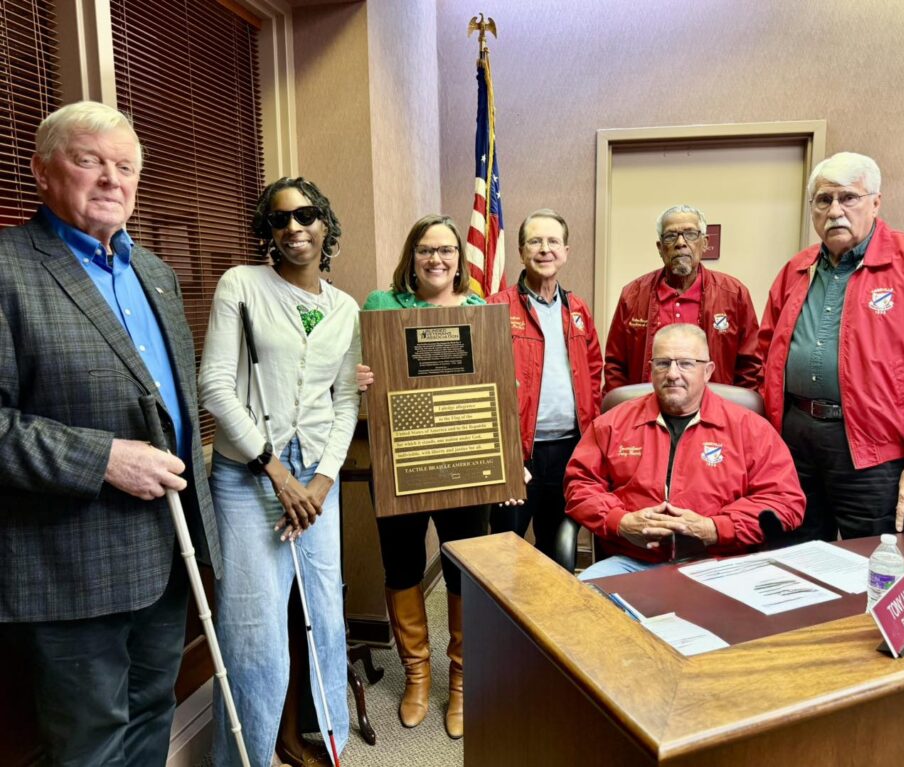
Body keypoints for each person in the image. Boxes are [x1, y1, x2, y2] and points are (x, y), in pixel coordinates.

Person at [0, 101, 220, 766]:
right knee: (91, 743)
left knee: (153, 714)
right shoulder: (8, 268)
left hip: (166, 551)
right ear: (42, 172)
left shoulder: (154, 272)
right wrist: (103, 458)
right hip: (73, 562)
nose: (110, 179)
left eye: (124, 166)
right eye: (88, 160)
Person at [198, 177, 359, 767]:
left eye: (306, 215)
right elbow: (214, 385)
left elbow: (345, 402)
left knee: (324, 615)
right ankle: (246, 757)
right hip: (249, 478)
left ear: (325, 225)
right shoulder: (241, 286)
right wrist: (276, 472)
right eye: (279, 219)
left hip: (318, 477)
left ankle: (319, 739)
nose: (294, 227)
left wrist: (319, 481)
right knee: (252, 632)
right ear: (267, 232)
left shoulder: (345, 309)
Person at [758, 152, 904, 542]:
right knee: (794, 564)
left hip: (875, 451)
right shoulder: (796, 270)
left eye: (848, 198)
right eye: (823, 200)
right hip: (794, 445)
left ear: (876, 203)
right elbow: (766, 353)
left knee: (878, 568)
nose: (834, 211)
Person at [358, 214, 523, 740]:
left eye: (447, 250)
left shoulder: (481, 313)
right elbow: (356, 375)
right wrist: (358, 374)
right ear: (413, 255)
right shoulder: (383, 307)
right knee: (403, 566)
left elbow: (500, 392)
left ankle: (460, 681)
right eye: (427, 250)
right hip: (403, 459)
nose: (437, 259)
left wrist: (508, 455)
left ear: (460, 257)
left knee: (461, 570)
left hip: (464, 462)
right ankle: (417, 677)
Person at [565, 324, 804, 580]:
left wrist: (715, 528)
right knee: (581, 601)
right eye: (663, 363)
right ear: (651, 369)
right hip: (632, 562)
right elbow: (580, 484)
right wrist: (619, 521)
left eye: (686, 364)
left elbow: (785, 501)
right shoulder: (612, 424)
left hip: (719, 563)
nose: (672, 374)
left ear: (708, 371)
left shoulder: (750, 429)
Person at [486, 209, 603, 569]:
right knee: (506, 551)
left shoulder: (578, 309)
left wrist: (592, 445)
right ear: (521, 252)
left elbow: (596, 374)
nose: (544, 249)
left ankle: (549, 623)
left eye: (553, 241)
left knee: (558, 547)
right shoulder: (496, 307)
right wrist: (504, 457)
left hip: (570, 450)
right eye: (535, 241)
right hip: (520, 455)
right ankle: (506, 625)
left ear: (566, 252)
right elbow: (484, 385)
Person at [603, 204, 760, 395]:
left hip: (713, 414)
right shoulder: (633, 296)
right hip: (647, 413)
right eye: (670, 236)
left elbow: (750, 367)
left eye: (690, 234)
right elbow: (616, 366)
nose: (680, 243)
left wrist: (735, 416)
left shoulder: (734, 294)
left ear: (705, 243)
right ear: (660, 248)